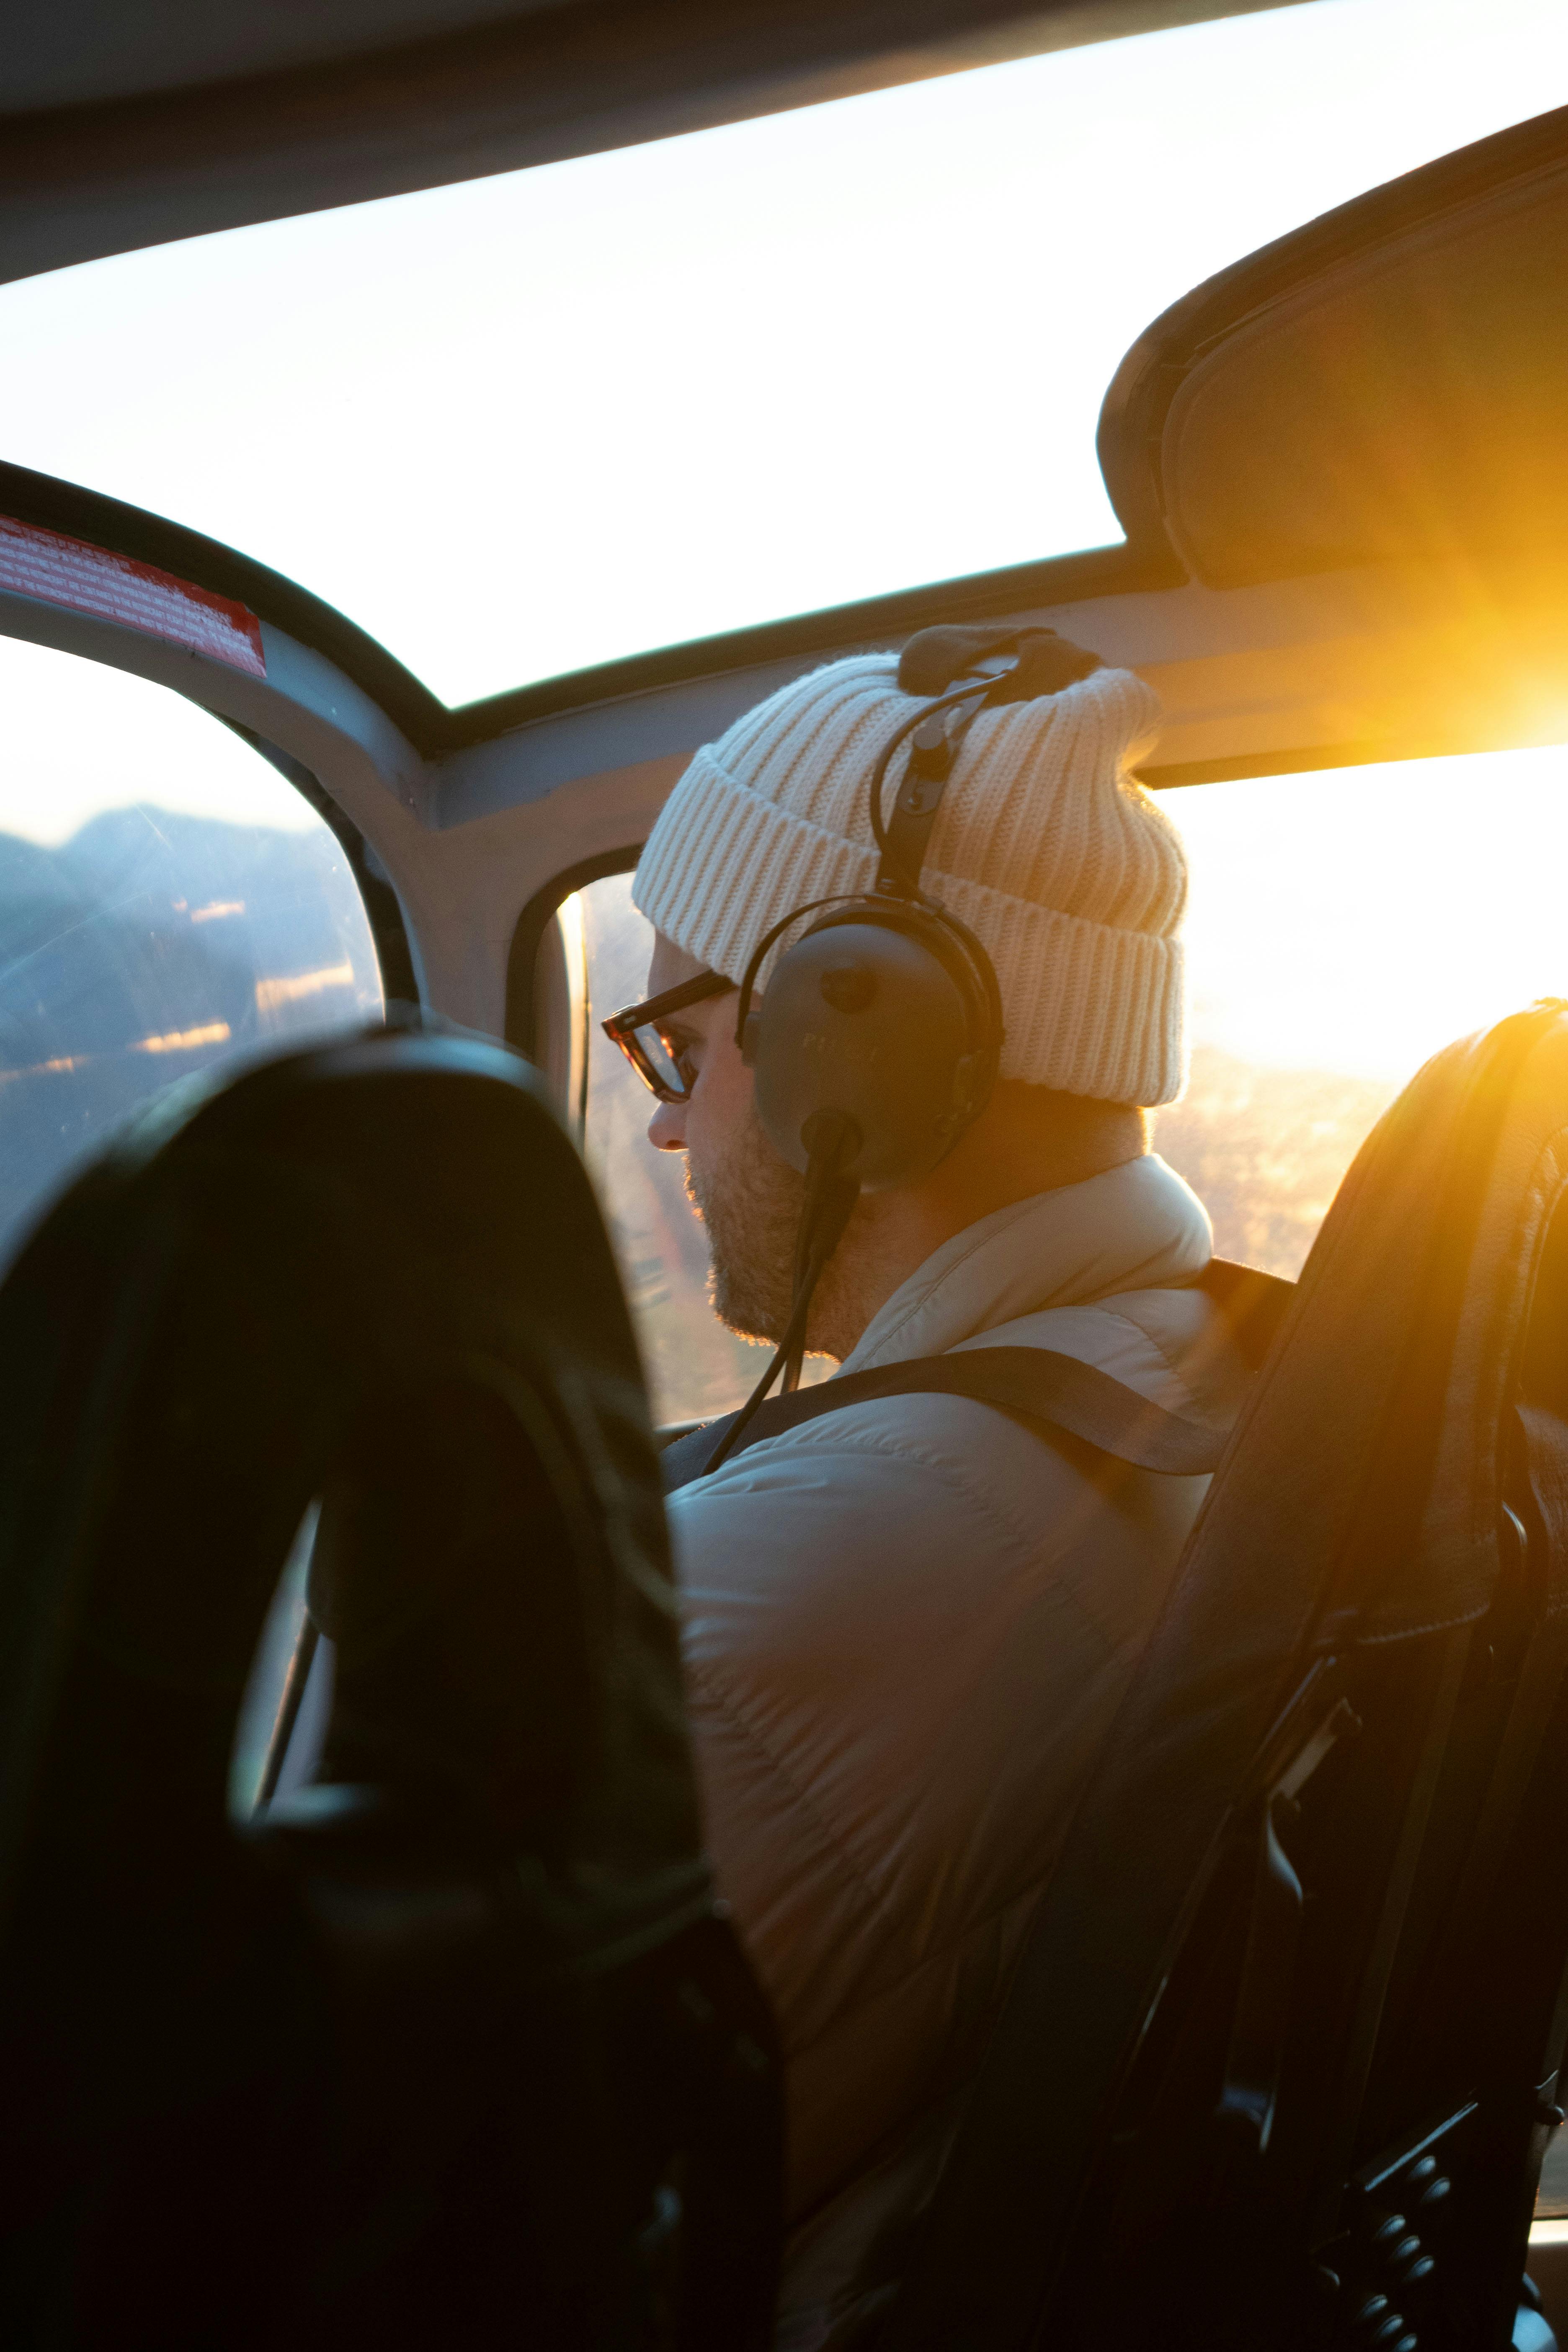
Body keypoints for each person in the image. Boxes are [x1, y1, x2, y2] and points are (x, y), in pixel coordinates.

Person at [611, 643, 1248, 2348]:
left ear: (855, 1055)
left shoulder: (763, 1612)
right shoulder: (1186, 1379)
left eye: (680, 1047)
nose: (668, 1136)